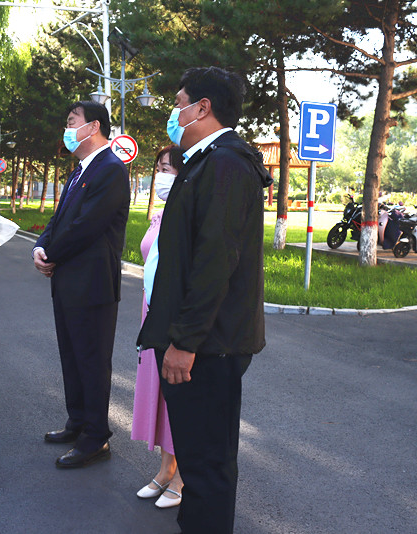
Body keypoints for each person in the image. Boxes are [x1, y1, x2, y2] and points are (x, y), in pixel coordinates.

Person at [137, 67, 271, 533]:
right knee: (197, 460)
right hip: (199, 342)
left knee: (208, 464)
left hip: (208, 347)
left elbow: (215, 263)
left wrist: (186, 342)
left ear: (203, 108)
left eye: (179, 104)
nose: (174, 114)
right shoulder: (205, 161)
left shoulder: (226, 165)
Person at [33, 101, 129, 468]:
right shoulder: (80, 170)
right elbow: (59, 220)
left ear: (94, 127)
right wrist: (40, 246)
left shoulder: (111, 169)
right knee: (71, 357)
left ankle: (95, 437)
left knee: (91, 361)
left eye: (72, 122)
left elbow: (86, 227)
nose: (67, 129)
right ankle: (77, 422)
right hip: (68, 282)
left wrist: (52, 253)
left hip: (93, 285)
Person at [132, 145, 185, 509]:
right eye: (160, 169)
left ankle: (182, 476)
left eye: (168, 169)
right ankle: (166, 469)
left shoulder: (186, 214)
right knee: (160, 393)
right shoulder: (162, 213)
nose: (161, 176)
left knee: (177, 395)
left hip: (174, 317)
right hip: (151, 312)